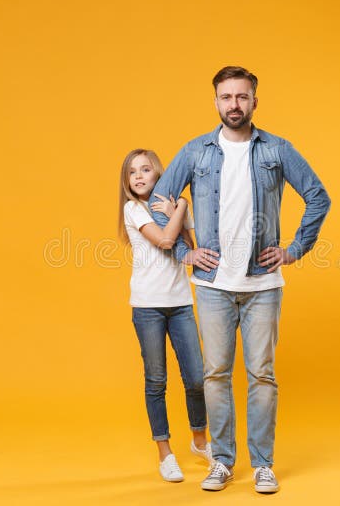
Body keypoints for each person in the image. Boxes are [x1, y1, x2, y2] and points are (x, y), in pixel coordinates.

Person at [150, 67, 331, 493]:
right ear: (215, 102)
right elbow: (160, 204)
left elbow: (318, 197)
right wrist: (184, 252)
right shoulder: (197, 152)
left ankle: (264, 464)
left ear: (254, 101)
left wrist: (293, 250)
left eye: (242, 97)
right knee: (215, 375)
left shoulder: (277, 149)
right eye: (226, 97)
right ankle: (223, 462)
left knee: (262, 374)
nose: (234, 104)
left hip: (262, 285)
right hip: (212, 285)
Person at [118, 149, 213, 482]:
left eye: (146, 169)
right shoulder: (134, 209)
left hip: (181, 303)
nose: (140, 176)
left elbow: (187, 250)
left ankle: (200, 442)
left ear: (159, 175)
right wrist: (182, 207)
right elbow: (166, 239)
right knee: (156, 380)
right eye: (133, 172)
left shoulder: (166, 205)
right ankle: (165, 452)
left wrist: (176, 210)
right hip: (147, 307)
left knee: (197, 378)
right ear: (127, 181)